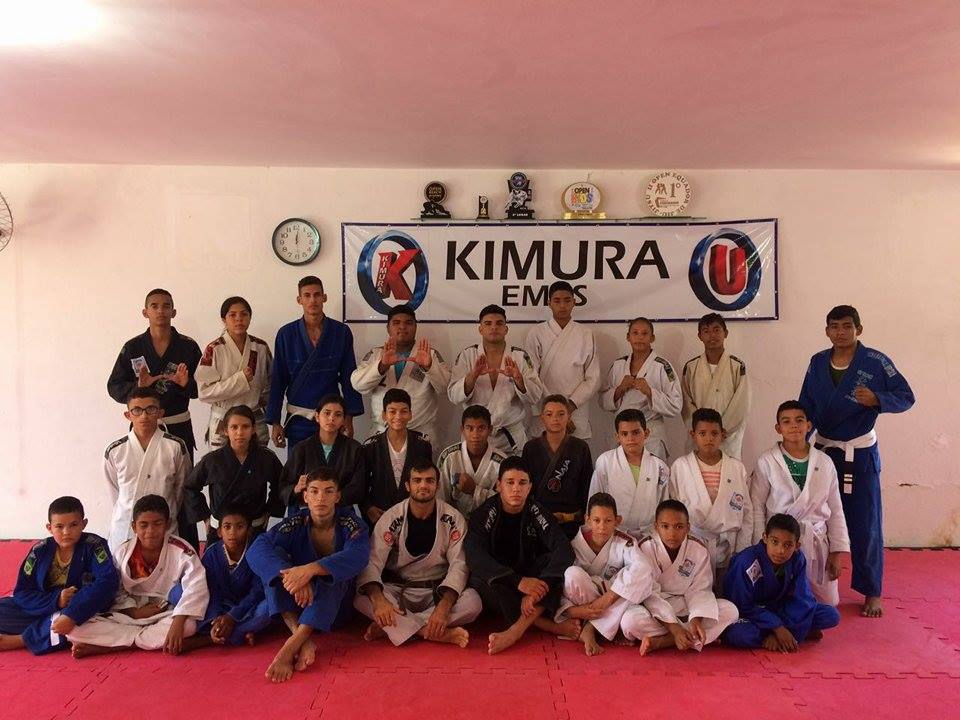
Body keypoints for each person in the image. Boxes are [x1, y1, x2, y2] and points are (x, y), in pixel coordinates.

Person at [799, 305, 914, 618]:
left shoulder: (875, 361)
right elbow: (806, 404)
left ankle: (871, 590)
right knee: (817, 518)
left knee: (865, 523)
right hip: (824, 450)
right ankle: (813, 584)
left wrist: (877, 399)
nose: (840, 332)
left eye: (847, 326)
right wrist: (799, 442)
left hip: (859, 453)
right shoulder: (817, 362)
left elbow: (906, 396)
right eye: (834, 326)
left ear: (858, 329)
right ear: (827, 331)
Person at [246, 468, 369, 683]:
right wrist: (291, 576)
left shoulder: (351, 524)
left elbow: (358, 556)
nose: (321, 498)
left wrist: (310, 569)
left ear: (338, 496)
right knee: (275, 562)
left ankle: (290, 645)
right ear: (305, 496)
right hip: (299, 603)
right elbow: (257, 548)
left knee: (336, 572)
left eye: (328, 491)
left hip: (335, 611)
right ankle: (301, 637)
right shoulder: (296, 522)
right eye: (314, 491)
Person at [107, 288, 202, 548]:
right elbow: (114, 386)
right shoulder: (133, 347)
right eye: (155, 306)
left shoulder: (188, 347)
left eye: (166, 306)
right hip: (144, 426)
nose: (161, 311)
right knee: (136, 486)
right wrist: (139, 387)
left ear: (174, 311)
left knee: (183, 489)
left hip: (178, 425)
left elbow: (203, 388)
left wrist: (186, 384)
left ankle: (185, 549)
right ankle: (133, 546)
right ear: (145, 312)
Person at [355, 460, 481, 647]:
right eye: (417, 480)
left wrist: (444, 606)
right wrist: (379, 599)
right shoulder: (392, 517)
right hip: (400, 590)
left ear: (437, 486)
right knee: (362, 598)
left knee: (473, 603)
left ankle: (393, 626)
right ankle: (429, 632)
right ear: (408, 485)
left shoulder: (453, 518)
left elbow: (459, 565)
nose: (423, 485)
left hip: (437, 590)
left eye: (429, 481)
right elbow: (372, 561)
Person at [67, 495, 209, 658]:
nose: (150, 531)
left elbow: (196, 586)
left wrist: (178, 622)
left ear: (168, 524)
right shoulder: (123, 552)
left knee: (189, 625)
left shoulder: (182, 550)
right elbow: (115, 588)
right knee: (75, 629)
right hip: (128, 615)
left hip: (167, 613)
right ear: (134, 526)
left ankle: (113, 646)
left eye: (157, 524)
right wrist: (134, 612)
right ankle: (145, 640)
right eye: (143, 525)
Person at [464, 456, 578, 655]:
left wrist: (537, 588)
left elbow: (563, 549)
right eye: (510, 482)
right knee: (478, 579)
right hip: (502, 580)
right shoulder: (485, 513)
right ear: (499, 485)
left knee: (557, 569)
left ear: (529, 487)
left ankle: (515, 631)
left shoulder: (536, 511)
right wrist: (518, 582)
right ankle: (544, 626)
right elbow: (474, 555)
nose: (516, 489)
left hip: (530, 577)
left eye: (522, 483)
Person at [751, 400, 850, 606]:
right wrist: (762, 546)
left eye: (799, 420)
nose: (794, 426)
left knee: (828, 604)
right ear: (778, 428)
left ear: (808, 425)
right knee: (780, 600)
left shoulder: (825, 462)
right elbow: (757, 506)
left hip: (815, 537)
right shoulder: (767, 461)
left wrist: (837, 551)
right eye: (786, 421)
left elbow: (836, 508)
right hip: (780, 542)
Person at [0, 497, 119, 654]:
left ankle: (20, 640)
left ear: (84, 524)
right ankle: (41, 627)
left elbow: (108, 582)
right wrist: (56, 600)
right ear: (49, 528)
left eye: (73, 525)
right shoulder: (40, 550)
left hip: (80, 607)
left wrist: (72, 614)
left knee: (74, 623)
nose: (66, 532)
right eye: (59, 526)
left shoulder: (94, 546)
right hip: (45, 604)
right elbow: (22, 592)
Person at [266, 276, 364, 450]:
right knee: (299, 465)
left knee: (333, 465)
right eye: (307, 295)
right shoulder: (286, 334)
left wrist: (349, 416)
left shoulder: (340, 332)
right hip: (299, 419)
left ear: (324, 297)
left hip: (331, 418)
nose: (313, 300)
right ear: (299, 300)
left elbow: (349, 377)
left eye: (317, 295)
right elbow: (278, 380)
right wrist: (275, 421)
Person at [556, 492, 657, 656]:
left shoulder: (625, 541)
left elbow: (643, 569)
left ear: (617, 521)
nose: (602, 527)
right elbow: (559, 586)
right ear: (587, 519)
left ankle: (591, 627)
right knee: (572, 574)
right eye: (596, 520)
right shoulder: (573, 545)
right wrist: (575, 611)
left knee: (642, 576)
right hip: (586, 607)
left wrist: (608, 598)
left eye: (608, 521)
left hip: (612, 598)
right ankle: (605, 625)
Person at [633, 500, 738, 655]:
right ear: (656, 526)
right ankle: (688, 637)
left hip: (686, 606)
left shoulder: (698, 549)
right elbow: (649, 594)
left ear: (688, 527)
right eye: (665, 526)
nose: (672, 533)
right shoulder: (645, 548)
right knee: (630, 621)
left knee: (730, 610)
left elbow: (700, 589)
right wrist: (674, 628)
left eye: (679, 527)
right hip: (657, 610)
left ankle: (663, 642)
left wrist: (697, 619)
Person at [723, 514, 840, 651]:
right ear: (765, 538)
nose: (780, 551)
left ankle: (778, 637)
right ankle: (789, 635)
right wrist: (777, 627)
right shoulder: (746, 562)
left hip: (781, 609)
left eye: (788, 545)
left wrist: (780, 627)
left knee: (831, 615)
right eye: (775, 542)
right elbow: (741, 606)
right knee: (738, 634)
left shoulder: (797, 559)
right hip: (753, 613)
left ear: (797, 546)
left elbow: (802, 598)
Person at [669, 408, 753, 585]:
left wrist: (742, 548)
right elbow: (673, 510)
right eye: (702, 433)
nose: (709, 438)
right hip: (693, 541)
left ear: (723, 434)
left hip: (728, 544)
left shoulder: (736, 468)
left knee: (726, 592)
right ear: (693, 435)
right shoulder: (680, 467)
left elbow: (746, 511)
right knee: (694, 592)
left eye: (714, 433)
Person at [448, 304, 544, 454]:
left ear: (506, 329)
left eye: (499, 323)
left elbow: (535, 396)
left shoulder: (520, 356)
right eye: (488, 323)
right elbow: (454, 396)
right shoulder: (467, 355)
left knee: (514, 470)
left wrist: (518, 378)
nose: (494, 327)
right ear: (480, 329)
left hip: (510, 438)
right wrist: (473, 376)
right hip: (475, 436)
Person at [182, 405, 283, 547]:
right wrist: (205, 517)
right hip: (221, 529)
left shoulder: (266, 458)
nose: (239, 432)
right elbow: (190, 487)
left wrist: (269, 511)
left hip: (254, 527)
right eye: (234, 427)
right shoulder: (213, 460)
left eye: (245, 427)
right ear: (225, 430)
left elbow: (281, 483)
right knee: (216, 560)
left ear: (253, 429)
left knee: (255, 559)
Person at [351, 304, 451, 447]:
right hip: (381, 435)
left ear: (415, 327)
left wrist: (428, 367)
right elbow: (357, 385)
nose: (402, 327)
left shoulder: (430, 354)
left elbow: (446, 388)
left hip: (420, 435)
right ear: (388, 328)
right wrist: (382, 366)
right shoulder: (376, 354)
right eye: (396, 323)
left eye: (408, 323)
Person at [104, 388, 190, 552]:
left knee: (166, 566)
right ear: (128, 415)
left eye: (151, 409)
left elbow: (180, 490)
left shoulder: (175, 446)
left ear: (160, 413)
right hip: (126, 527)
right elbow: (114, 491)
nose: (144, 416)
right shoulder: (115, 451)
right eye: (137, 410)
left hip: (163, 526)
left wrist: (167, 511)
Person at [524, 281, 600, 439]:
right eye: (557, 301)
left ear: (574, 302)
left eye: (567, 300)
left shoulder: (586, 333)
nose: (562, 305)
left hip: (576, 408)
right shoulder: (536, 333)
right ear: (549, 303)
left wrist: (569, 407)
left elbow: (593, 377)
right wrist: (554, 410)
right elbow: (531, 375)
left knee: (576, 452)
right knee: (543, 451)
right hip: (545, 408)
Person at [600, 317, 682, 461]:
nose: (639, 337)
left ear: (652, 338)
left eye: (644, 333)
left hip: (651, 433)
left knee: (652, 472)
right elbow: (602, 400)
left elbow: (676, 405)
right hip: (623, 433)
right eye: (635, 333)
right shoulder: (618, 365)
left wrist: (650, 392)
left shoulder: (662, 366)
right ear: (628, 337)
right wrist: (620, 389)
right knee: (621, 473)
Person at [196, 296, 273, 447]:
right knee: (222, 462)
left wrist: (260, 401)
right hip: (224, 420)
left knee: (258, 460)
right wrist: (240, 380)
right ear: (224, 320)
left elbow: (271, 383)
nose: (239, 319)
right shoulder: (214, 349)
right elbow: (204, 392)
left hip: (254, 418)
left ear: (250, 318)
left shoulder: (261, 347)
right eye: (232, 315)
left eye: (244, 314)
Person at [195, 506, 271, 648]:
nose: (233, 532)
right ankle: (236, 631)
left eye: (240, 527)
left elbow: (257, 591)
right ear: (219, 532)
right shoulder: (212, 554)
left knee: (268, 608)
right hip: (221, 606)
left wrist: (232, 616)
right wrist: (217, 619)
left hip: (249, 607)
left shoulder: (257, 552)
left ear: (249, 531)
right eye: (227, 527)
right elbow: (211, 591)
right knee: (181, 594)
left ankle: (213, 637)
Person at [279, 394, 366, 516]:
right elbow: (283, 488)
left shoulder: (354, 448)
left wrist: (333, 496)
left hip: (342, 513)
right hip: (308, 513)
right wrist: (297, 487)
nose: (331, 418)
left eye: (338, 415)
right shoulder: (302, 448)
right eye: (327, 413)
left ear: (343, 420)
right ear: (317, 416)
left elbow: (359, 487)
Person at [588, 409, 669, 538]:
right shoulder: (605, 461)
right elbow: (594, 501)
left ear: (646, 433)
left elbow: (664, 507)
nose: (630, 439)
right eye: (624, 434)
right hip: (614, 532)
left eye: (636, 432)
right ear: (617, 437)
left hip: (649, 534)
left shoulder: (660, 467)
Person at [521, 395, 593, 539]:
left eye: (561, 414)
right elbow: (525, 486)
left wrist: (584, 518)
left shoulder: (580, 447)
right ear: (542, 418)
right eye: (549, 414)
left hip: (572, 520)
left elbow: (587, 487)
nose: (555, 419)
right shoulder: (531, 448)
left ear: (569, 417)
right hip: (539, 519)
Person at [680, 313, 750, 460]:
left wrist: (721, 430)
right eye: (706, 331)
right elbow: (686, 402)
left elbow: (741, 403)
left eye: (716, 330)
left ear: (726, 333)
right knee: (696, 472)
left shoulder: (737, 366)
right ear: (700, 336)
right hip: (699, 437)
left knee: (729, 472)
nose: (712, 335)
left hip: (727, 437)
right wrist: (700, 430)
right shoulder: (691, 367)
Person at [361, 388, 433, 528]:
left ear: (410, 414)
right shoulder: (370, 446)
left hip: (413, 513)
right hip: (380, 513)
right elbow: (362, 484)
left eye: (404, 411)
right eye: (392, 411)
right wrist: (368, 508)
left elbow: (428, 480)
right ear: (384, 415)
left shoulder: (422, 444)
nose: (398, 417)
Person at [438, 405, 507, 517]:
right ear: (462, 430)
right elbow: (440, 499)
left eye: (481, 428)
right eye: (469, 428)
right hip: (454, 520)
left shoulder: (502, 462)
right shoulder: (449, 457)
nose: (475, 435)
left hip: (490, 521)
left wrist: (474, 490)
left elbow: (505, 502)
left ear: (490, 430)